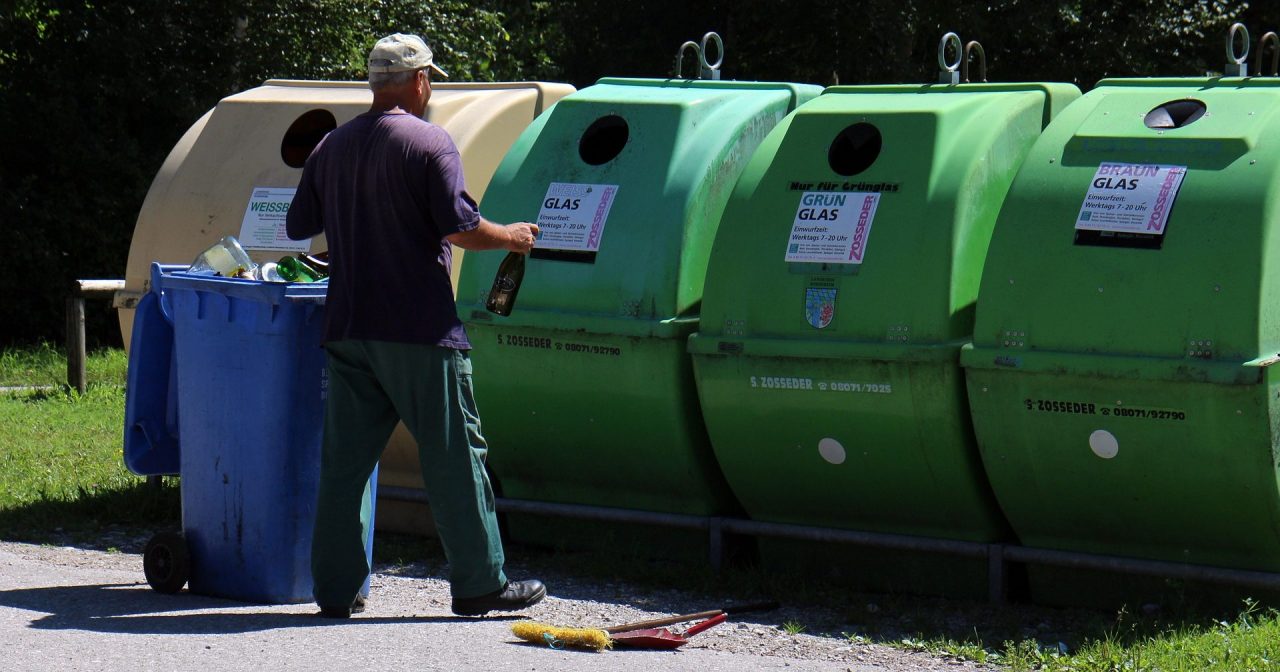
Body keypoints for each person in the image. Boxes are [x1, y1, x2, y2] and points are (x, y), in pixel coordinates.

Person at [285, 32, 545, 618]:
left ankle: (335, 589)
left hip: (349, 327)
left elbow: (301, 224)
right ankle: (480, 584)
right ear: (422, 80)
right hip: (421, 331)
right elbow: (460, 228)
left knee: (346, 466)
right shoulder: (430, 142)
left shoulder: (331, 146)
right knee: (455, 455)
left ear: (376, 84)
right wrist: (512, 237)